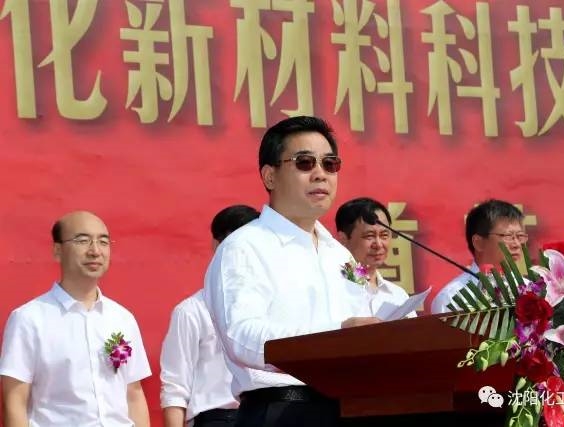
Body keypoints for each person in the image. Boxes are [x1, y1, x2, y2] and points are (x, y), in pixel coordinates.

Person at [204, 116, 380, 427]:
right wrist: (334, 335)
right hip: (283, 411)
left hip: (351, 408)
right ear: (270, 176)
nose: (320, 174)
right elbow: (241, 337)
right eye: (304, 163)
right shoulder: (244, 247)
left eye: (329, 164)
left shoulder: (340, 255)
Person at [0, 211, 151, 427]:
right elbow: (15, 401)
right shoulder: (29, 319)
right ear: (57, 250)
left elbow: (133, 394)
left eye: (103, 242)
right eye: (82, 240)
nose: (95, 251)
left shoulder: (122, 318)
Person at [160, 205, 259, 427]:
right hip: (218, 419)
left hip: (268, 413)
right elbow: (175, 388)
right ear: (217, 245)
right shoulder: (191, 311)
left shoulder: (274, 307)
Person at [430, 199, 527, 314]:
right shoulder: (452, 298)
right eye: (508, 236)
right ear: (478, 243)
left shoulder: (530, 291)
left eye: (520, 236)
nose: (516, 244)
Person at [335, 197, 415, 318]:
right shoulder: (331, 289)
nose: (378, 244)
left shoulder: (398, 295)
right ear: (343, 239)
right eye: (369, 236)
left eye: (384, 235)